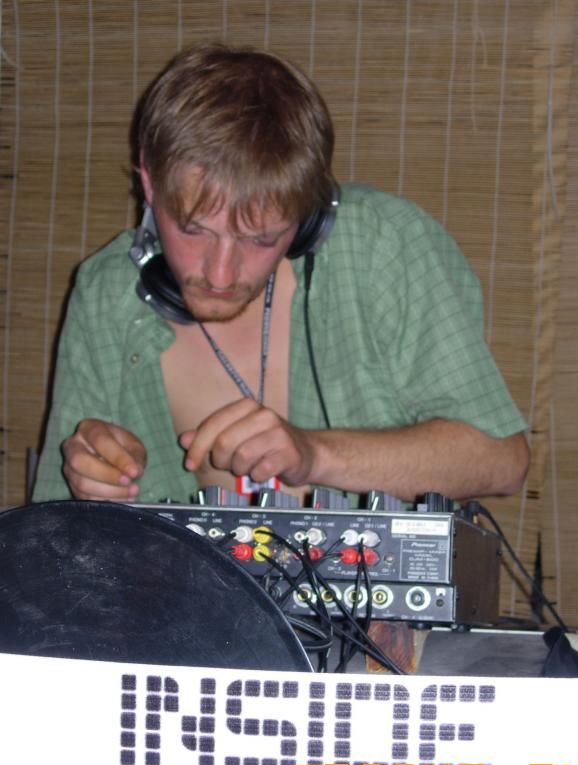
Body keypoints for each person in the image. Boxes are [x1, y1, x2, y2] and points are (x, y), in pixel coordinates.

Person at [32, 42, 529, 507]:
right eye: (193, 230)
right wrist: (89, 482)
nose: (221, 273)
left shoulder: (382, 247)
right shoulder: (106, 294)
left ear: (309, 218)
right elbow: (49, 537)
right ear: (149, 183)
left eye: (260, 239)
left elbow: (502, 461)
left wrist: (313, 455)